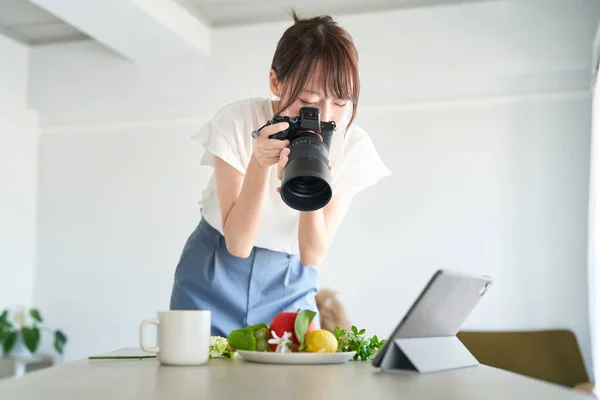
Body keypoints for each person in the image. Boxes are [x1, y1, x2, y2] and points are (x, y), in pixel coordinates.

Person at [169, 11, 391, 338]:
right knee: (198, 384)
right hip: (212, 272)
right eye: (307, 101)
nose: (324, 116)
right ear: (275, 82)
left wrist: (312, 175)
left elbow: (312, 254)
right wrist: (259, 164)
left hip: (290, 283)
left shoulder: (352, 144)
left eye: (340, 103)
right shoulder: (237, 121)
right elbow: (239, 244)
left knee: (295, 385)